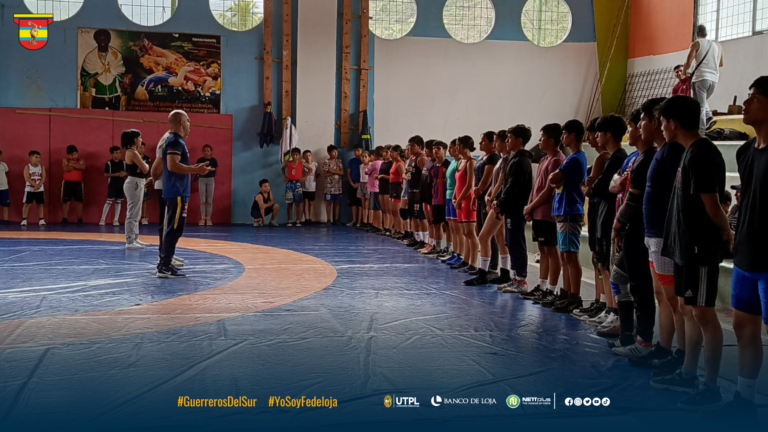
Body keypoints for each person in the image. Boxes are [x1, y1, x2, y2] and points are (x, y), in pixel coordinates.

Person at [651, 95, 730, 410]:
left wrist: (726, 233)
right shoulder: (687, 153)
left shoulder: (703, 154)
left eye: (662, 122)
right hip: (684, 248)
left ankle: (710, 386)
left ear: (672, 123)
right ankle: (687, 373)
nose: (661, 128)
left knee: (703, 314)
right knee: (688, 310)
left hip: (699, 250)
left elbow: (713, 206)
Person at [716, 76, 768, 419]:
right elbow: (747, 197)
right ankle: (744, 398)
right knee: (743, 328)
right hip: (748, 255)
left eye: (753, 99)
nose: (744, 105)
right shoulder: (746, 151)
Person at [631, 97, 687, 374]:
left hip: (665, 237)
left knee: (673, 299)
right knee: (661, 295)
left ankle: (680, 353)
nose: (640, 125)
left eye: (643, 120)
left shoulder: (673, 152)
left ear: (657, 121)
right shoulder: (661, 152)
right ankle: (664, 347)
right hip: (654, 235)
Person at [609, 109, 658, 355]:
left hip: (639, 230)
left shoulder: (650, 158)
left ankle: (644, 340)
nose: (632, 130)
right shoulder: (636, 158)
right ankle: (628, 333)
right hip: (632, 229)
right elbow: (614, 185)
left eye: (637, 124)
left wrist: (619, 223)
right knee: (619, 278)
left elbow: (633, 198)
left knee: (641, 287)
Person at [157, 110, 212, 278]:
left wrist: (194, 169)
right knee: (174, 228)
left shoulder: (176, 141)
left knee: (174, 228)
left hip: (177, 191)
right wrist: (195, 169)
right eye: (188, 121)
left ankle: (165, 263)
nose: (190, 125)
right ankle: (164, 266)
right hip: (177, 191)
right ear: (181, 122)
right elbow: (173, 165)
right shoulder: (175, 141)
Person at [586, 115, 628, 336]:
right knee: (602, 265)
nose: (595, 137)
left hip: (610, 217)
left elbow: (599, 187)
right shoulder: (612, 157)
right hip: (602, 218)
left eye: (599, 133)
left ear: (608, 134)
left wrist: (594, 186)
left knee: (609, 268)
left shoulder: (617, 158)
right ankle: (609, 307)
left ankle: (614, 310)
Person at [544, 120, 587, 309]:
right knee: (565, 255)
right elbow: (553, 179)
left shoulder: (575, 159)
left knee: (571, 255)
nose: (562, 138)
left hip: (571, 210)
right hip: (564, 210)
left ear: (573, 135)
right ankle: (566, 291)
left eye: (565, 134)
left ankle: (574, 296)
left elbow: (553, 178)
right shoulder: (572, 158)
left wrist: (555, 177)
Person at [523, 124, 565, 300]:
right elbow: (536, 187)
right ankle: (541, 285)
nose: (539, 141)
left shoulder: (557, 160)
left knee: (551, 249)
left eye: (542, 137)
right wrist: (530, 206)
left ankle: (552, 288)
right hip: (538, 211)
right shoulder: (543, 159)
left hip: (548, 213)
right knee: (542, 249)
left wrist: (531, 206)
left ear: (552, 140)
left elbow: (548, 191)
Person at [490, 126, 533, 290]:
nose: (507, 141)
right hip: (510, 208)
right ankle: (515, 277)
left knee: (516, 242)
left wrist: (501, 202)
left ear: (519, 140)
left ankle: (521, 280)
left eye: (510, 138)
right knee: (511, 242)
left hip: (516, 208)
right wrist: (500, 201)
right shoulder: (514, 159)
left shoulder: (521, 161)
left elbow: (513, 187)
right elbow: (506, 185)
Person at [477, 130, 513, 287]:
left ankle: (483, 272)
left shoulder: (506, 160)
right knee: (499, 238)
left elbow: (502, 182)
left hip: (498, 203)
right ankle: (504, 272)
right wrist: (489, 195)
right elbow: (496, 181)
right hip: (494, 200)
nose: (495, 144)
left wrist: (493, 197)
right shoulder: (502, 159)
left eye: (497, 141)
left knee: (483, 236)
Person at [683, 24, 724, 133]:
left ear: (696, 34)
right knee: (702, 102)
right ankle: (708, 117)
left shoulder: (696, 43)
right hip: (714, 79)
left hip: (701, 78)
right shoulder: (717, 46)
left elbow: (689, 60)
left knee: (699, 106)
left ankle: (700, 133)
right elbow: (721, 63)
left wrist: (684, 72)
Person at [473, 131, 501, 273]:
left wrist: (480, 191)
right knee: (480, 231)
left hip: (487, 199)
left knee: (488, 234)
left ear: (492, 143)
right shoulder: (483, 157)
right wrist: (475, 195)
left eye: (483, 141)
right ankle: (484, 265)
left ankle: (492, 267)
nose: (480, 143)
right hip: (480, 198)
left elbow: (487, 179)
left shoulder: (494, 157)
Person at [452, 136, 478, 272]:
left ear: (465, 146)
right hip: (460, 200)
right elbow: (458, 183)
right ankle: (466, 260)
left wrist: (460, 199)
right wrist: (454, 197)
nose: (456, 148)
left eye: (458, 145)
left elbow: (470, 185)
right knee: (464, 232)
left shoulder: (471, 162)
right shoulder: (461, 162)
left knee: (470, 232)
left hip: (468, 200)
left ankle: (473, 263)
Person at [80, 29, 125, 110]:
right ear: (96, 40)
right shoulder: (90, 57)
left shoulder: (116, 56)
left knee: (116, 119)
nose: (103, 41)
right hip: (97, 95)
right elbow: (85, 76)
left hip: (114, 94)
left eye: (105, 39)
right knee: (97, 119)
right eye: (100, 39)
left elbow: (121, 72)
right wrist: (98, 73)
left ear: (109, 40)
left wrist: (110, 69)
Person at [122, 129, 150, 250]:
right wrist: (145, 165)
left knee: (136, 213)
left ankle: (135, 238)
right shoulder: (132, 152)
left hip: (137, 182)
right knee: (132, 212)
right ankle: (129, 240)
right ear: (134, 139)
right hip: (134, 183)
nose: (141, 140)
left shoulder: (133, 152)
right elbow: (145, 168)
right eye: (140, 138)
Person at [427, 141, 451, 257]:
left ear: (445, 150)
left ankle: (449, 248)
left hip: (447, 199)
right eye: (434, 149)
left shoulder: (449, 164)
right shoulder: (432, 166)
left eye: (438, 148)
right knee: (436, 223)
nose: (435, 151)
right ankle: (437, 247)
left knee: (447, 225)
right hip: (435, 199)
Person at [405, 136, 429, 250]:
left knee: (421, 217)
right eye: (409, 145)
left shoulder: (421, 158)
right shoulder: (411, 158)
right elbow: (406, 173)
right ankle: (417, 238)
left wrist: (423, 191)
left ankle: (425, 240)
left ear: (419, 147)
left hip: (419, 192)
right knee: (413, 216)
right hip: (411, 190)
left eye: (413, 145)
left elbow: (425, 175)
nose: (410, 147)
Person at [443, 139, 463, 265]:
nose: (449, 150)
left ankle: (461, 255)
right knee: (452, 228)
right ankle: (455, 252)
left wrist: (457, 196)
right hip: (448, 195)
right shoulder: (452, 162)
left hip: (456, 196)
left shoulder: (460, 163)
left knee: (458, 229)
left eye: (451, 147)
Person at [101, 146, 127, 226]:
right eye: (116, 153)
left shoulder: (124, 163)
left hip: (121, 184)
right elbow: (105, 174)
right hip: (112, 184)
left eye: (119, 153)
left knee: (118, 202)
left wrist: (124, 174)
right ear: (112, 154)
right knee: (109, 201)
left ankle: (116, 220)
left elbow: (127, 173)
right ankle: (103, 219)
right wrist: (116, 174)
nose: (119, 155)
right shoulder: (109, 163)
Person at [61, 145, 85, 225]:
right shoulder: (65, 160)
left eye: (75, 154)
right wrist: (77, 166)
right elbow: (66, 168)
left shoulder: (81, 160)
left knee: (79, 201)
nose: (73, 156)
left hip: (78, 183)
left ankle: (80, 218)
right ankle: (65, 218)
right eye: (71, 154)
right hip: (67, 182)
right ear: (68, 155)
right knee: (66, 201)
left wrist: (72, 165)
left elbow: (83, 167)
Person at [282, 147, 306, 226]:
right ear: (291, 155)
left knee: (298, 203)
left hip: (298, 184)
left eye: (296, 155)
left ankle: (298, 220)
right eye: (293, 155)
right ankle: (289, 220)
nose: (294, 156)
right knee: (289, 203)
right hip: (289, 184)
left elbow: (310, 169)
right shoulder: (288, 163)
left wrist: (304, 177)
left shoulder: (301, 163)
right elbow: (282, 169)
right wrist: (285, 176)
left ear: (299, 155)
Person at [21, 150, 46, 226]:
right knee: (27, 204)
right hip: (30, 189)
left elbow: (43, 177)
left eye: (39, 157)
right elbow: (27, 178)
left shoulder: (42, 167)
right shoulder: (27, 167)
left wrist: (39, 185)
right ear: (31, 158)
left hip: (40, 189)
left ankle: (41, 219)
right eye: (36, 157)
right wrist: (34, 184)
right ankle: (24, 219)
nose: (38, 159)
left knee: (40, 204)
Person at [196, 144, 218, 226]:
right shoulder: (200, 160)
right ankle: (202, 218)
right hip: (202, 179)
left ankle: (208, 218)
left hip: (210, 179)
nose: (206, 152)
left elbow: (216, 171)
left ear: (211, 152)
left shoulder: (214, 161)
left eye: (208, 151)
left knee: (209, 200)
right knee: (203, 200)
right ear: (202, 151)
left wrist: (211, 175)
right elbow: (197, 169)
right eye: (204, 150)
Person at [388, 145, 406, 237]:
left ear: (397, 153)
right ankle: (396, 229)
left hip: (397, 187)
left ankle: (401, 230)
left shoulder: (400, 163)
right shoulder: (393, 163)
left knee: (397, 210)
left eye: (392, 152)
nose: (390, 154)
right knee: (393, 211)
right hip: (392, 187)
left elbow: (403, 176)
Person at [323, 145, 344, 224]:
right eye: (333, 152)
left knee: (338, 202)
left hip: (338, 186)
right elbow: (325, 174)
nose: (336, 153)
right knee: (329, 202)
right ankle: (328, 219)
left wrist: (332, 171)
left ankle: (336, 219)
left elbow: (342, 172)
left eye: (336, 152)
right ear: (329, 153)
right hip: (329, 186)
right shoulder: (326, 162)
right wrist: (336, 171)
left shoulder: (339, 161)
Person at [365, 147, 384, 232]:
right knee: (376, 207)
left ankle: (378, 225)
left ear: (375, 155)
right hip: (379, 187)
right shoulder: (383, 163)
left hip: (373, 188)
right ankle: (376, 224)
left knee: (376, 208)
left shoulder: (374, 163)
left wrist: (370, 163)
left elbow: (366, 172)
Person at [378, 146, 394, 235]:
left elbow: (393, 177)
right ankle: (384, 226)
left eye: (386, 152)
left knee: (389, 210)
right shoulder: (383, 163)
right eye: (383, 152)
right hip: (382, 186)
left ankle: (389, 227)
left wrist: (383, 176)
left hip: (388, 187)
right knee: (383, 209)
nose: (384, 154)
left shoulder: (392, 163)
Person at [347, 145, 364, 226]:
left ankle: (360, 221)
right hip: (353, 185)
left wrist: (360, 183)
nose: (356, 152)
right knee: (353, 203)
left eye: (358, 150)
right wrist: (352, 183)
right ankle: (354, 220)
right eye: (354, 151)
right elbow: (349, 173)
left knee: (360, 204)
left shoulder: (363, 161)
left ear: (361, 151)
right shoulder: (351, 161)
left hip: (362, 185)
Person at [302, 150, 318, 224]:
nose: (308, 157)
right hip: (304, 186)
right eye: (306, 156)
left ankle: (310, 218)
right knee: (305, 202)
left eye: (309, 155)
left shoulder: (315, 164)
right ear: (303, 157)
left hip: (312, 186)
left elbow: (317, 174)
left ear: (311, 156)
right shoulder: (302, 165)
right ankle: (306, 218)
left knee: (311, 203)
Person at [139, 141, 152, 225]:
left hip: (144, 179)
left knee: (144, 199)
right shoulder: (133, 156)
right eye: (140, 147)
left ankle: (143, 217)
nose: (142, 149)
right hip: (135, 179)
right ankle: (135, 217)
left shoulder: (147, 158)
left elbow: (148, 170)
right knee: (135, 200)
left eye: (143, 148)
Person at [358, 151, 371, 228]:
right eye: (362, 157)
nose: (364, 158)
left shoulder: (370, 165)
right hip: (361, 183)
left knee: (367, 204)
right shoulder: (361, 166)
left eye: (366, 156)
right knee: (363, 204)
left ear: (369, 157)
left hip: (367, 184)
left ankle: (368, 221)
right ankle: (364, 221)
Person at [0, 150, 9, 223]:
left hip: (4, 188)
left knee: (5, 205)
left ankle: (6, 220)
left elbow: (6, 172)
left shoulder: (3, 165)